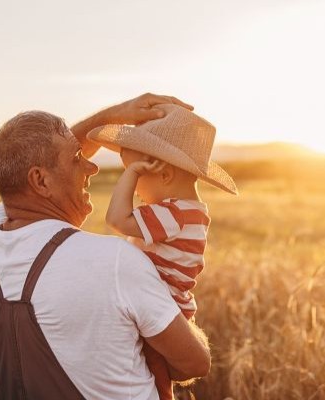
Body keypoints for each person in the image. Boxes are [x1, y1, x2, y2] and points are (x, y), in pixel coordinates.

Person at [0, 94, 211, 399]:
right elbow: (193, 363)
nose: (91, 167)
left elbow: (18, 180)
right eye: (77, 158)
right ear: (40, 182)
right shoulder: (117, 262)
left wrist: (113, 117)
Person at [86, 104, 237, 399]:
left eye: (136, 175)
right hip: (172, 304)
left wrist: (128, 177)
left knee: (154, 375)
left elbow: (116, 219)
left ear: (164, 175)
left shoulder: (173, 214)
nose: (136, 190)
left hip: (162, 307)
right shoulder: (191, 212)